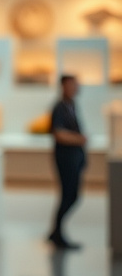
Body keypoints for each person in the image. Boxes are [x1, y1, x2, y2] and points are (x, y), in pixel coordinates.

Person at [48, 74, 86, 249]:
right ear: (64, 86)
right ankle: (57, 234)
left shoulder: (71, 105)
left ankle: (55, 232)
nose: (75, 87)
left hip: (74, 158)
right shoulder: (60, 107)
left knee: (71, 195)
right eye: (72, 84)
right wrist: (79, 139)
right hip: (66, 159)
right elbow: (58, 133)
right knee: (69, 196)